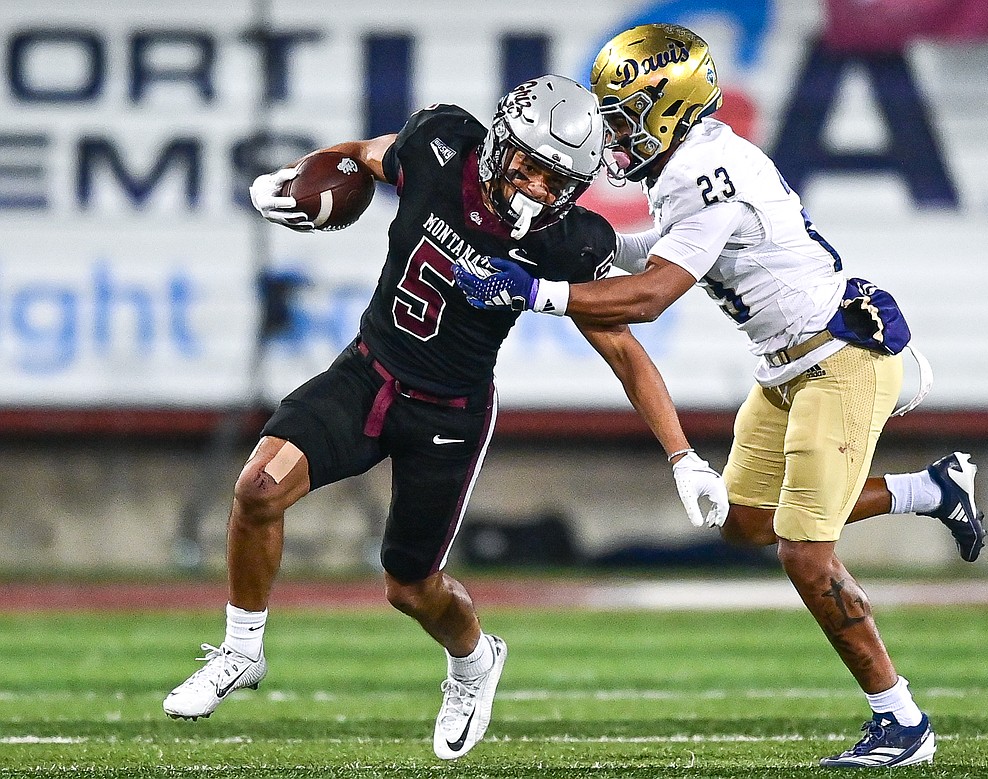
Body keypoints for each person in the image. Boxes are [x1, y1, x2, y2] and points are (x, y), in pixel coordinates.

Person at [454, 25, 986, 768]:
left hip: (839, 357)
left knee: (806, 554)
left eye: (624, 115)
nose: (612, 133)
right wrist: (576, 243)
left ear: (669, 109)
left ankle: (902, 720)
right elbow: (651, 252)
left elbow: (649, 297)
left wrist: (533, 289)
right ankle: (928, 490)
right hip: (784, 367)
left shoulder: (707, 171)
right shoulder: (683, 168)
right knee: (742, 521)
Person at [161, 73, 729, 761]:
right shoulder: (438, 145)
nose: (539, 191)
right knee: (257, 488)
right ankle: (241, 648)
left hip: (449, 414)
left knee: (411, 586)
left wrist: (682, 455)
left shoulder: (562, 242)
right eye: (530, 167)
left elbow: (623, 350)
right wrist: (301, 180)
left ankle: (474, 660)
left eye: (558, 182)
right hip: (367, 372)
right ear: (499, 142)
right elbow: (364, 156)